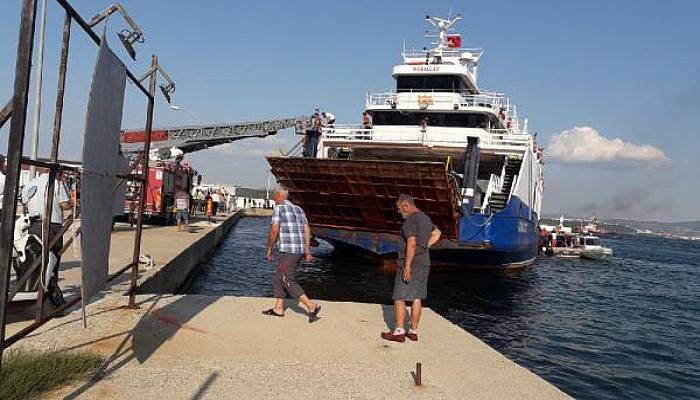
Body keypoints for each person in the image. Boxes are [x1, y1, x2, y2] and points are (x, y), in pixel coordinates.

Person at [381, 194, 441, 342]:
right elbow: (437, 233)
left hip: (410, 263)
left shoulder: (410, 221)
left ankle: (399, 332)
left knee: (399, 297)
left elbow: (412, 243)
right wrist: (425, 246)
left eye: (399, 208)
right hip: (424, 262)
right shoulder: (425, 218)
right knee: (417, 297)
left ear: (406, 205)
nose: (399, 211)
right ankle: (413, 331)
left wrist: (407, 266)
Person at [263, 185, 321, 323]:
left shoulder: (279, 208)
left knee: (287, 279)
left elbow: (274, 230)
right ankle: (279, 308)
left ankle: (311, 306)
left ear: (279, 196)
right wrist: (307, 250)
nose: (273, 198)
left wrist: (270, 248)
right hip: (298, 250)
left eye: (274, 195)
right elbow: (307, 230)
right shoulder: (298, 209)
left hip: (289, 250)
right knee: (278, 277)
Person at [22, 170, 73, 307]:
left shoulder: (30, 184)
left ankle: (32, 294)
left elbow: (25, 204)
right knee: (52, 263)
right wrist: (73, 203)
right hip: (52, 227)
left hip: (33, 226)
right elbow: (65, 204)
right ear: (58, 173)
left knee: (35, 262)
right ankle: (55, 300)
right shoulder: (56, 183)